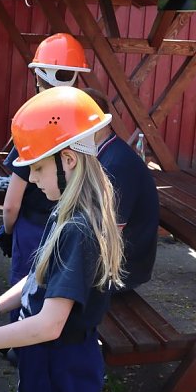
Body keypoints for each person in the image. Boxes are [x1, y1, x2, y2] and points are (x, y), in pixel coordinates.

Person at [0, 86, 125, 392]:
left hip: (61, 372)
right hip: (43, 366)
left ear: (68, 160)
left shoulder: (78, 229)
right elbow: (37, 278)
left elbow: (50, 324)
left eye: (37, 167)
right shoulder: (63, 210)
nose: (31, 178)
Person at [0, 32, 89, 320]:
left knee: (26, 294)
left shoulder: (36, 121)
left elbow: (11, 203)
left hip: (33, 227)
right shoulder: (85, 120)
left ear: (39, 76)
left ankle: (17, 346)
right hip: (73, 223)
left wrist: (9, 232)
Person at [81, 87, 159, 290]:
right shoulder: (106, 151)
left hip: (122, 270)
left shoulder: (117, 165)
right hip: (114, 260)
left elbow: (108, 232)